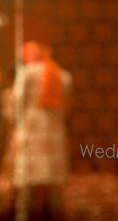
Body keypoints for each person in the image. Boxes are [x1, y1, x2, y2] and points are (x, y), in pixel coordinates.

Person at [11, 41, 72, 220]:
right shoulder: (63, 75)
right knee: (53, 185)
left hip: (30, 131)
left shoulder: (26, 73)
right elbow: (67, 106)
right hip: (55, 133)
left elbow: (16, 101)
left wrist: (15, 126)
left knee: (28, 186)